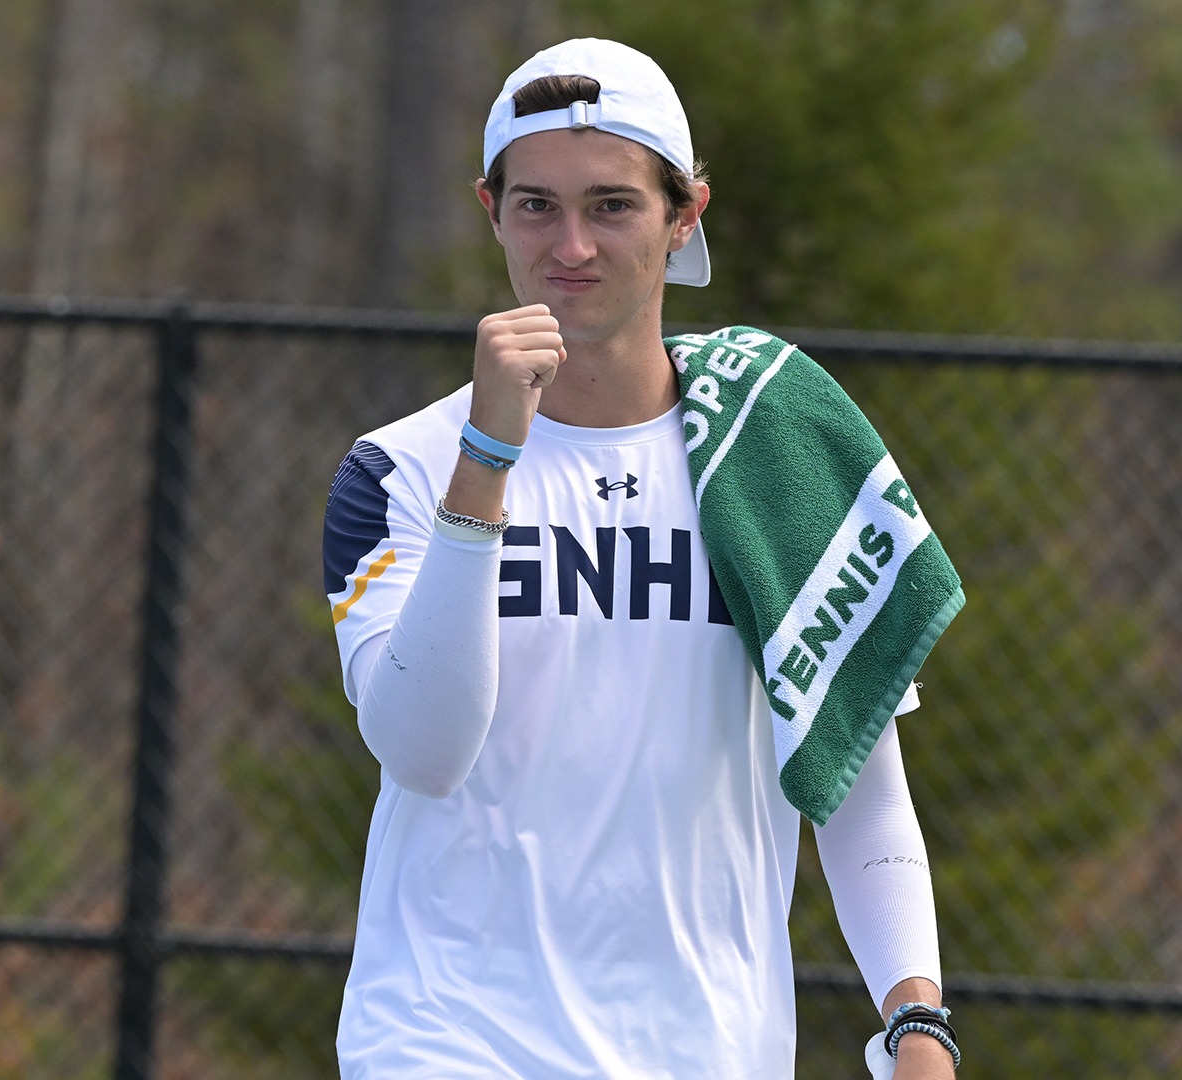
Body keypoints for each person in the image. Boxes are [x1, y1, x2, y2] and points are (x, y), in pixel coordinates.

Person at [322, 37, 957, 1079]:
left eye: (611, 205)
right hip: (445, 1042)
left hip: (710, 1050)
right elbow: (424, 748)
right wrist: (487, 462)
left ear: (685, 215)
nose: (569, 243)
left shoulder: (774, 451)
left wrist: (915, 1019)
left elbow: (858, 784)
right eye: (535, 205)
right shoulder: (397, 469)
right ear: (491, 210)